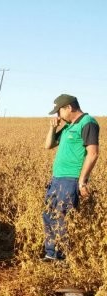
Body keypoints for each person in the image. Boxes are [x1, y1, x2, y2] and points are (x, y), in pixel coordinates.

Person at [42, 94, 99, 261]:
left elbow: (93, 153)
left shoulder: (87, 123)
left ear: (69, 107)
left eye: (59, 111)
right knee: (48, 214)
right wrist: (52, 128)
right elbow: (48, 145)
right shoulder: (68, 127)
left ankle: (63, 258)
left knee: (61, 217)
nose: (57, 116)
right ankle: (51, 254)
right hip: (57, 179)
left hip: (71, 179)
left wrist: (82, 181)